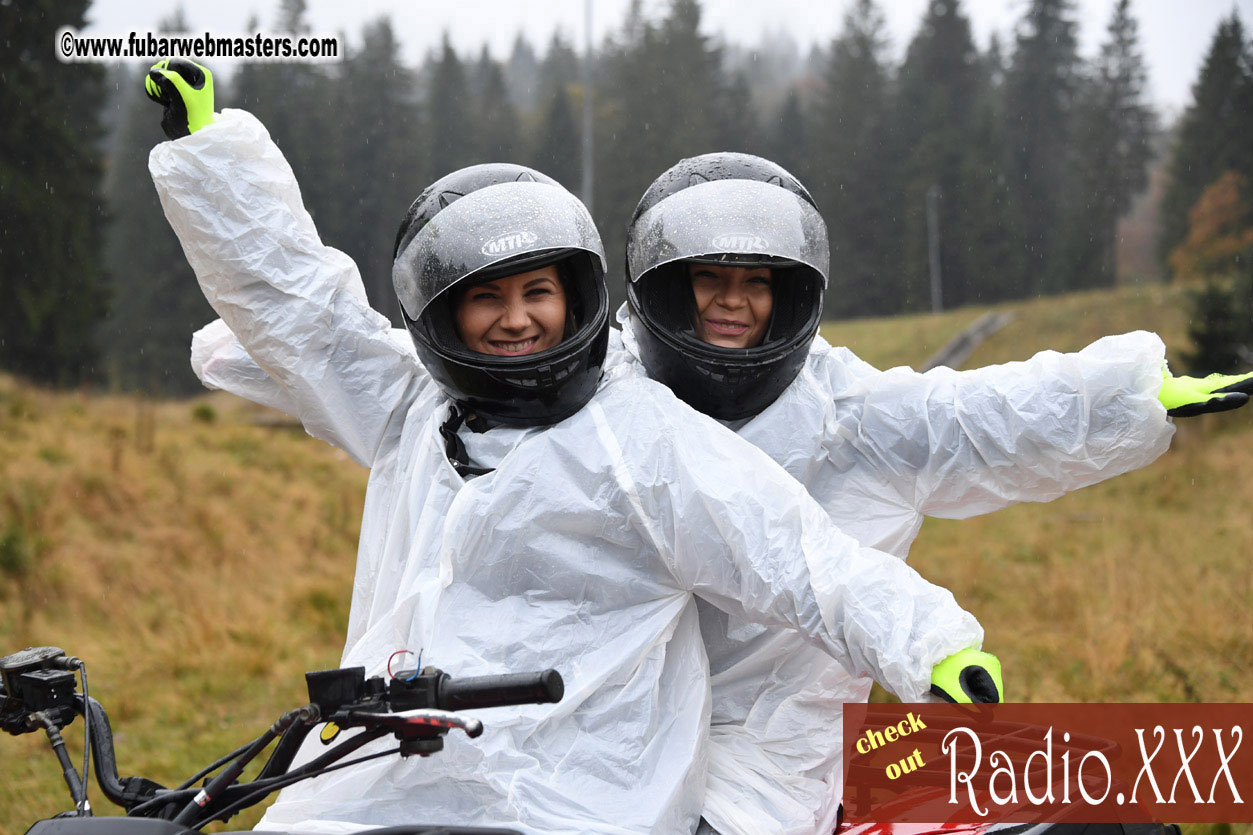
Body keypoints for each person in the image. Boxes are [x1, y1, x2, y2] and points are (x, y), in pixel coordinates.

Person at [145, 60, 1000, 835]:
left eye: (537, 291)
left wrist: (929, 645)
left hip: (583, 788)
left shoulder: (639, 438)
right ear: (443, 314)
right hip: (386, 772)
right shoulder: (413, 406)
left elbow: (795, 554)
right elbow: (298, 306)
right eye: (485, 297)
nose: (515, 317)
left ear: (578, 293)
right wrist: (209, 151)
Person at [618, 152, 1253, 835]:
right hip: (620, 748)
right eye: (708, 279)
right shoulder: (610, 412)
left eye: (755, 281)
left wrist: (1123, 396)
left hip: (787, 758)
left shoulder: (840, 417)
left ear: (790, 294)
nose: (732, 301)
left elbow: (979, 415)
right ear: (665, 288)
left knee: (1111, 812)